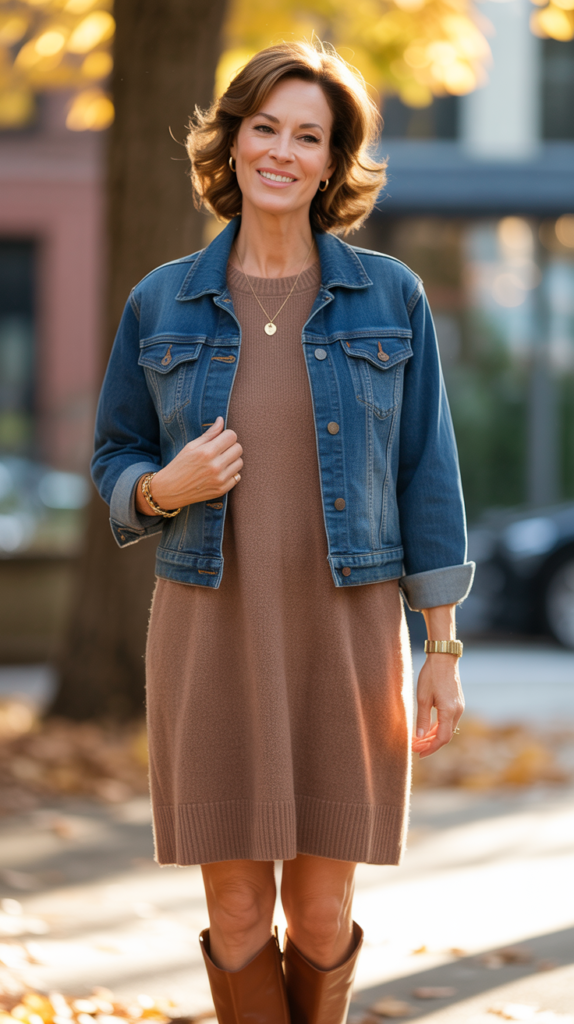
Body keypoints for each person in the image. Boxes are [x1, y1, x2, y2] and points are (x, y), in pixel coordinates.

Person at [92, 40, 474, 1024]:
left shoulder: (391, 297)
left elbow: (428, 470)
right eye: (265, 127)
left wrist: (439, 647)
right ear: (231, 140)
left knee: (318, 911)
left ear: (332, 161)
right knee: (231, 910)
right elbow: (114, 459)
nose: (282, 151)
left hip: (342, 636)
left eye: (308, 136)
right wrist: (162, 487)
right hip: (207, 630)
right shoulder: (160, 301)